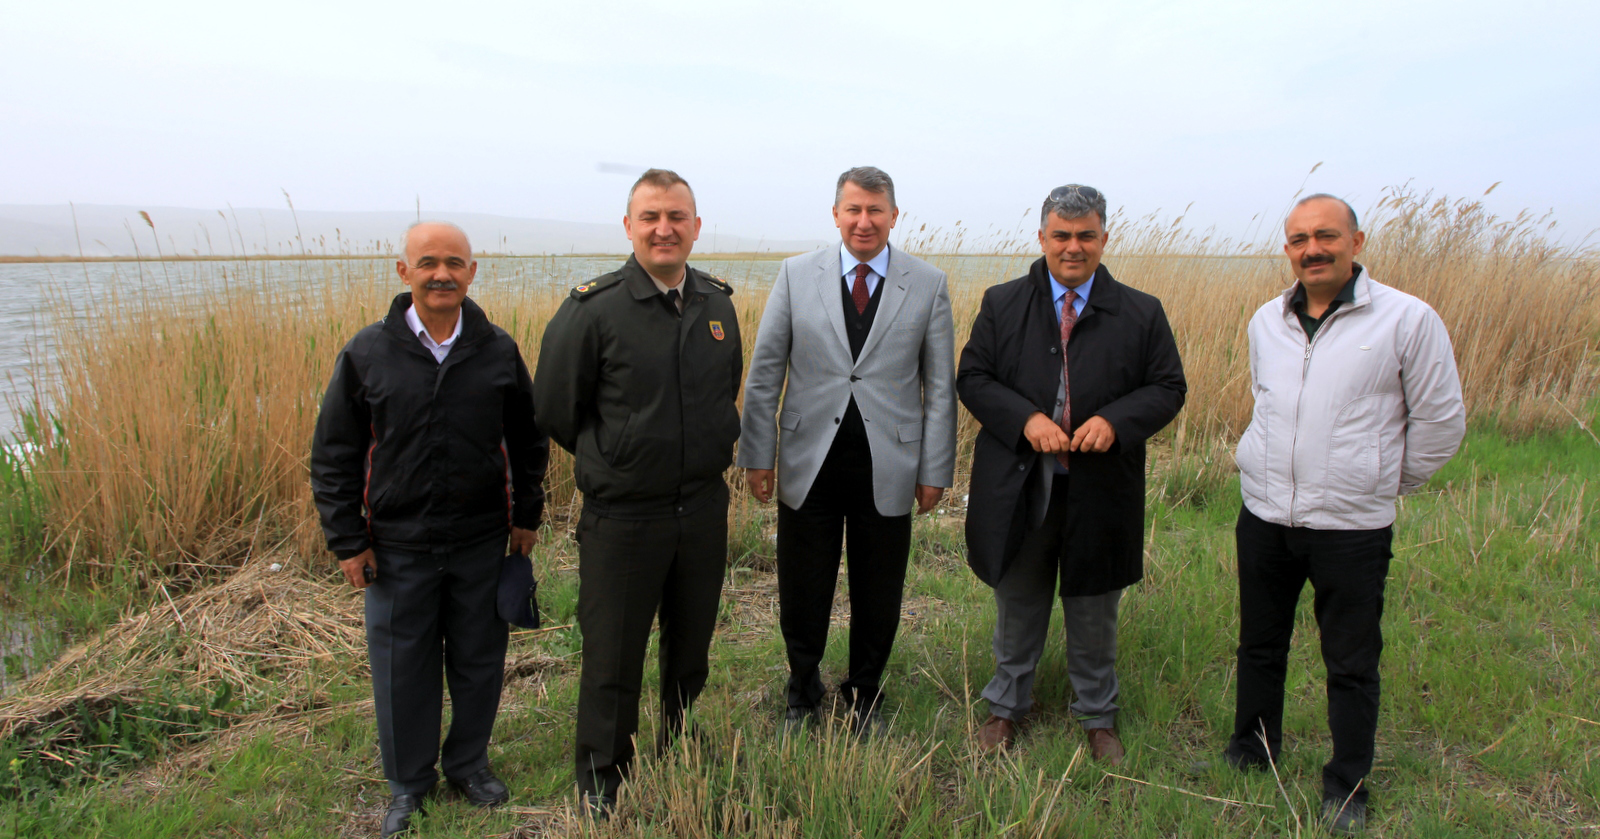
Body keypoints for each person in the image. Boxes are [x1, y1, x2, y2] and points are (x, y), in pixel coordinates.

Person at [1219, 193, 1464, 834]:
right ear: (1287, 249)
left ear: (1356, 242)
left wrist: (1378, 481)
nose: (1313, 250)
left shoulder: (1407, 319)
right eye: (1299, 239)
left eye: (1326, 236)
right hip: (1265, 514)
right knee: (1260, 645)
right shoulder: (1266, 320)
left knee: (1351, 664)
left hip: (1351, 528)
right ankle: (1252, 752)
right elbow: (1265, 401)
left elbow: (1441, 421)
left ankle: (1347, 785)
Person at [310, 221, 548, 838]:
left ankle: (468, 765)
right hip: (397, 547)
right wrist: (348, 540)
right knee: (402, 669)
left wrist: (526, 516)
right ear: (404, 271)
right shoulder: (367, 353)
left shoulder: (497, 349)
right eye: (428, 263)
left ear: (472, 272)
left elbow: (528, 440)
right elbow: (334, 454)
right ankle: (409, 785)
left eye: (454, 263)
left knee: (479, 660)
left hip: (480, 540)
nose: (442, 274)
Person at [532, 169, 742, 820]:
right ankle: (603, 775)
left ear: (696, 227)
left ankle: (680, 742)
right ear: (629, 226)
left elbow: (724, 390)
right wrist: (620, 457)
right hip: (624, 516)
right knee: (613, 654)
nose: (664, 229)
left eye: (677, 216)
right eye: (650, 216)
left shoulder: (717, 304)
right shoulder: (592, 310)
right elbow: (556, 409)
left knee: (691, 645)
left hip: (701, 508)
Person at [957, 184, 1186, 764]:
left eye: (1086, 235)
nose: (1073, 247)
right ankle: (1006, 707)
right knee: (1018, 598)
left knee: (1094, 604)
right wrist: (1027, 419)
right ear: (1042, 238)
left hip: (1101, 487)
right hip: (1021, 485)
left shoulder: (1141, 311)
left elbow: (1168, 386)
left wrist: (1115, 421)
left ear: (1105, 238)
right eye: (1061, 235)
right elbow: (974, 377)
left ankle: (1098, 715)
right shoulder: (1003, 302)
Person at [739, 166, 956, 738]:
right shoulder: (795, 275)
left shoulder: (928, 283)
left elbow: (940, 387)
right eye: (853, 209)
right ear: (835, 214)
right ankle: (802, 691)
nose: (864, 221)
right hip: (807, 461)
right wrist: (758, 455)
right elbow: (765, 373)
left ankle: (864, 693)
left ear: (894, 215)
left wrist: (935, 468)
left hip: (890, 465)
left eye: (875, 210)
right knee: (803, 584)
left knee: (879, 588)